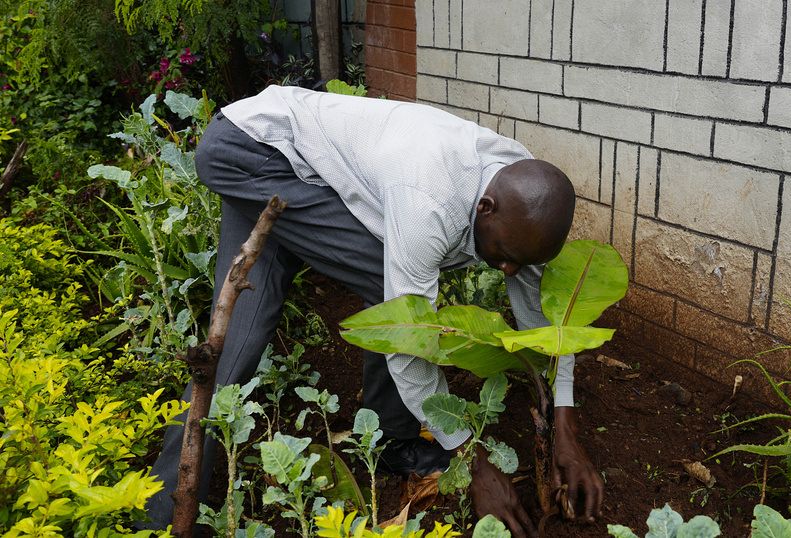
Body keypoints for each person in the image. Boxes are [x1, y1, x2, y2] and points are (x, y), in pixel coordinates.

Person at [143, 85, 603, 536]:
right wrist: (471, 458)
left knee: (234, 346)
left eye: (520, 262)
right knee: (392, 301)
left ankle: (164, 512)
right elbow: (406, 336)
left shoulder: (521, 199)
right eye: (502, 254)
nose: (507, 269)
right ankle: (393, 440)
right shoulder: (430, 201)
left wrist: (565, 421)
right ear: (485, 206)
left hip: (288, 159)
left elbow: (545, 324)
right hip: (251, 150)